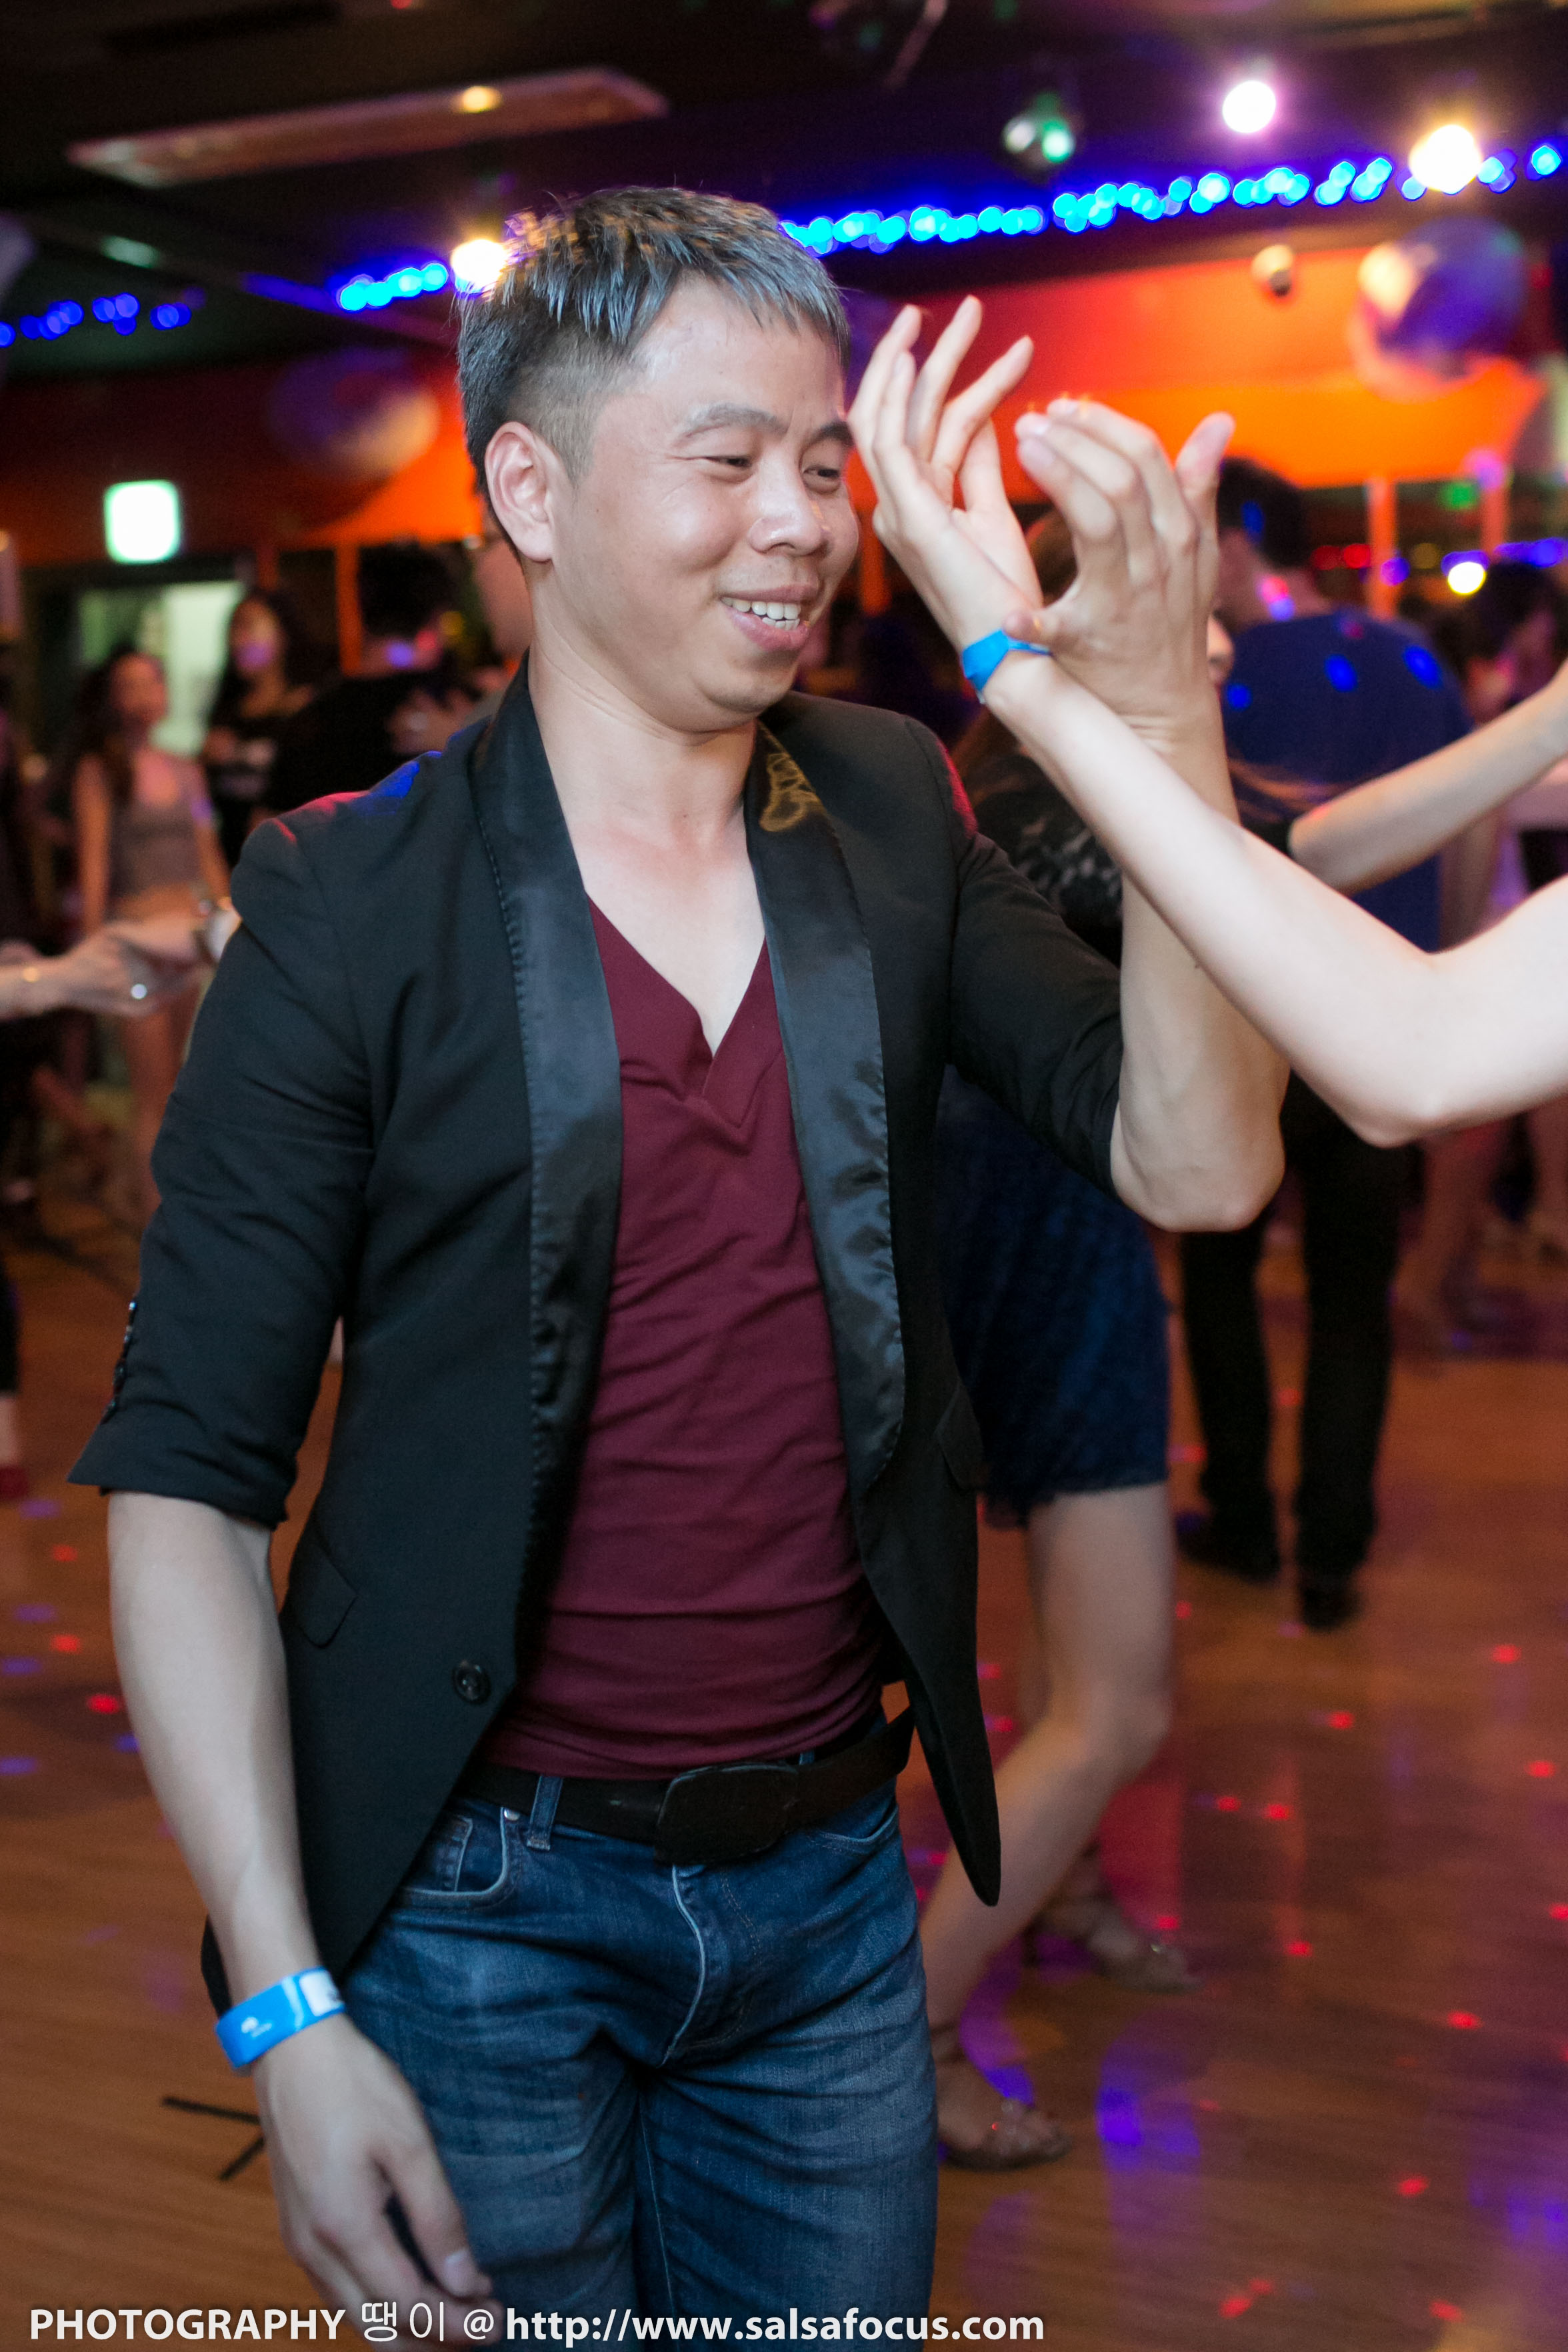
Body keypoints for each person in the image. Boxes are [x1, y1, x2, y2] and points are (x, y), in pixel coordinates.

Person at [73, 193, 1283, 2336]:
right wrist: (283, 2005)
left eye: (822, 463)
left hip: (829, 1885)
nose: (800, 522)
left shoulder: (888, 806)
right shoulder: (353, 901)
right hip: (472, 1899)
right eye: (726, 461)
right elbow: (186, 1481)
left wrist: (1156, 711)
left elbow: (1194, 1160)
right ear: (530, 493)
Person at [849, 315, 1568, 1349]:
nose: (1222, 648)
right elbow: (1320, 895)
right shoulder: (1007, 806)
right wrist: (1061, 688)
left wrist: (1044, 682)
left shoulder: (1115, 780)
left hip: (1136, 1172)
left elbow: (1350, 935)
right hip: (1042, 1193)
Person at [922, 511, 1197, 2172]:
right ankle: (912, 2023)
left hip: (1011, 1212)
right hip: (1046, 1218)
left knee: (1061, 1656)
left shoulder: (1004, 768)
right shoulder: (1057, 783)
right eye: (1187, 603)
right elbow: (1316, 850)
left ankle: (1066, 1884)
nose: (1217, 634)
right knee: (1121, 1701)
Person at [1176, 458, 1471, 1623]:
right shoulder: (1408, 655)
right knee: (1353, 1297)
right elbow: (1465, 831)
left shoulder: (1210, 675)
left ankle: (1242, 1518)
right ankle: (1333, 1553)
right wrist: (1441, 973)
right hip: (1380, 1022)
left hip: (1239, 1027)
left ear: (1241, 541)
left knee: (1220, 1279)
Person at [64, 645, 229, 1225]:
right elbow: (93, 867)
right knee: (151, 1093)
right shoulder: (100, 770)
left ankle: (174, 1213)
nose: (142, 696)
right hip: (137, 940)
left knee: (184, 1087)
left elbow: (207, 853)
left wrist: (228, 925)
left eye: (151, 683)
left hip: (189, 938)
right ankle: (157, 1229)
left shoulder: (186, 769)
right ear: (113, 698)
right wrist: (93, 951)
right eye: (129, 685)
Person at [266, 544, 475, 812]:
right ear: (437, 617)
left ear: (360, 609)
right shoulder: (461, 718)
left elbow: (269, 825)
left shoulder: (308, 723)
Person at [203, 589, 321, 867]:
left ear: (282, 633)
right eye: (234, 629)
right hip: (233, 862)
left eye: (248, 627)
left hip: (292, 861)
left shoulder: (305, 709)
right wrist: (204, 763)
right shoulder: (226, 715)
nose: (237, 640)